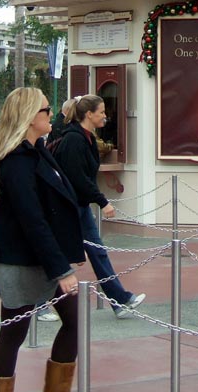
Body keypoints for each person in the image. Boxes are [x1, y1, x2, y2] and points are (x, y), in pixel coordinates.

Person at [0, 87, 85, 392]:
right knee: (13, 332)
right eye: (44, 108)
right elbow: (32, 219)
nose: (51, 112)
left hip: (40, 257)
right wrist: (62, 270)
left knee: (73, 321)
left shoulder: (38, 151)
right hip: (20, 259)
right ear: (28, 116)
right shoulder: (15, 160)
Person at [51, 95, 146, 319]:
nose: (105, 115)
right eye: (101, 112)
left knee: (96, 251)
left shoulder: (87, 138)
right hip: (69, 207)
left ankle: (120, 300)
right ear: (89, 114)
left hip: (79, 205)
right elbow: (78, 178)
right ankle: (39, 303)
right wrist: (103, 201)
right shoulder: (75, 140)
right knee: (59, 254)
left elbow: (84, 178)